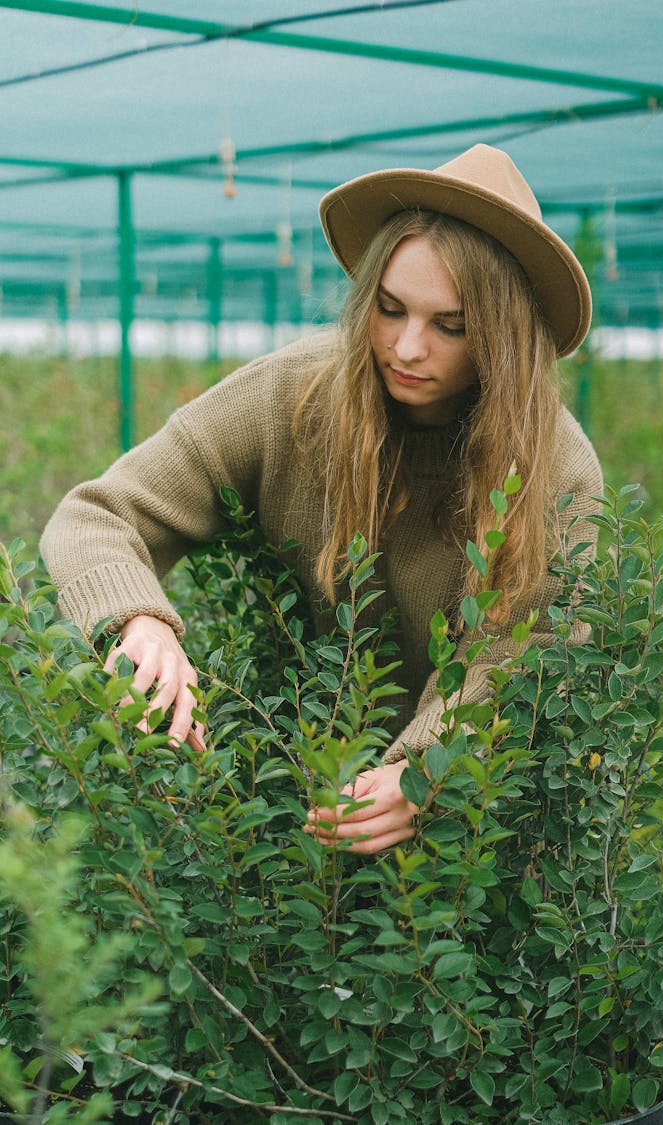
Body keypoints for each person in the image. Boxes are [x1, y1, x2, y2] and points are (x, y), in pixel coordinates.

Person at [40, 144, 602, 854]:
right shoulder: (291, 396)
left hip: (477, 855)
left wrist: (433, 770)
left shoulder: (556, 467)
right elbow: (97, 513)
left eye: (449, 325)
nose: (406, 347)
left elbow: (533, 654)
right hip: (284, 806)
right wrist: (139, 622)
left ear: (502, 334)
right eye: (389, 309)